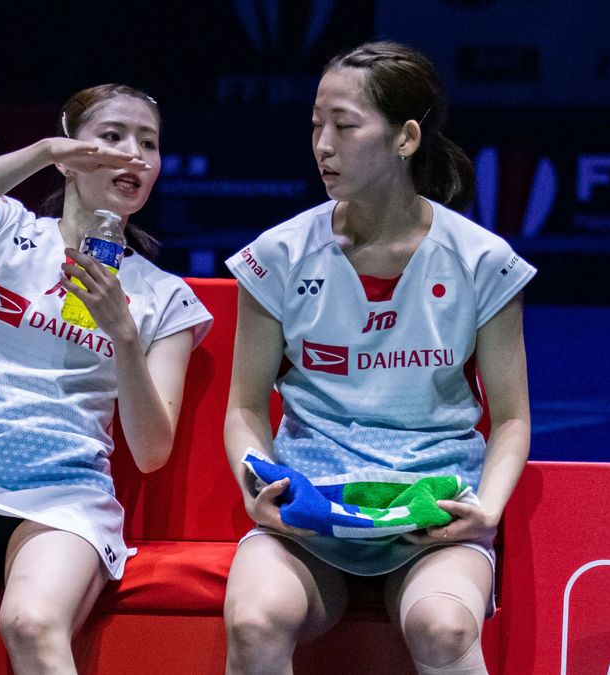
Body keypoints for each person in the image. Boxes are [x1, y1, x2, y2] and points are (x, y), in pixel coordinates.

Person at [0, 84, 213, 675]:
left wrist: (123, 333)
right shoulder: (5, 229)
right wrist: (36, 153)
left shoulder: (163, 295)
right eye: (111, 137)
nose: (133, 154)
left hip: (66, 494)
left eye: (148, 144)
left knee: (31, 621)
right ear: (71, 153)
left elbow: (152, 450)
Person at [222, 41, 535, 675]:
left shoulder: (481, 261)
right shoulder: (277, 256)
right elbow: (245, 407)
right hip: (311, 512)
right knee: (255, 622)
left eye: (344, 124)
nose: (322, 144)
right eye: (315, 124)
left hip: (432, 512)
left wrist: (485, 514)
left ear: (406, 137)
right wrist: (258, 482)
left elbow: (512, 420)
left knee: (444, 628)